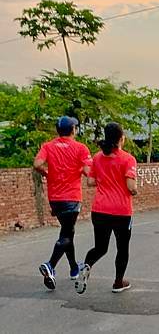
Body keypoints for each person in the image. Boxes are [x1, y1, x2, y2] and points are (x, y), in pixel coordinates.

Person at [75, 122, 138, 294]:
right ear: (121, 138)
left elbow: (90, 181)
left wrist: (105, 179)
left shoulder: (97, 157)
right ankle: (118, 282)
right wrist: (134, 191)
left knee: (101, 247)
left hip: (100, 209)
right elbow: (131, 186)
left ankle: (87, 265)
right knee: (122, 248)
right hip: (121, 211)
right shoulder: (128, 159)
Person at [33, 116, 92, 290]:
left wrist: (47, 173)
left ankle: (73, 268)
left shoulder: (48, 146)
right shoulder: (80, 148)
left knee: (68, 232)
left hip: (55, 198)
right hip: (72, 197)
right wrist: (81, 170)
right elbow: (89, 172)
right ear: (73, 129)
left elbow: (37, 164)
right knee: (66, 234)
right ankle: (50, 265)